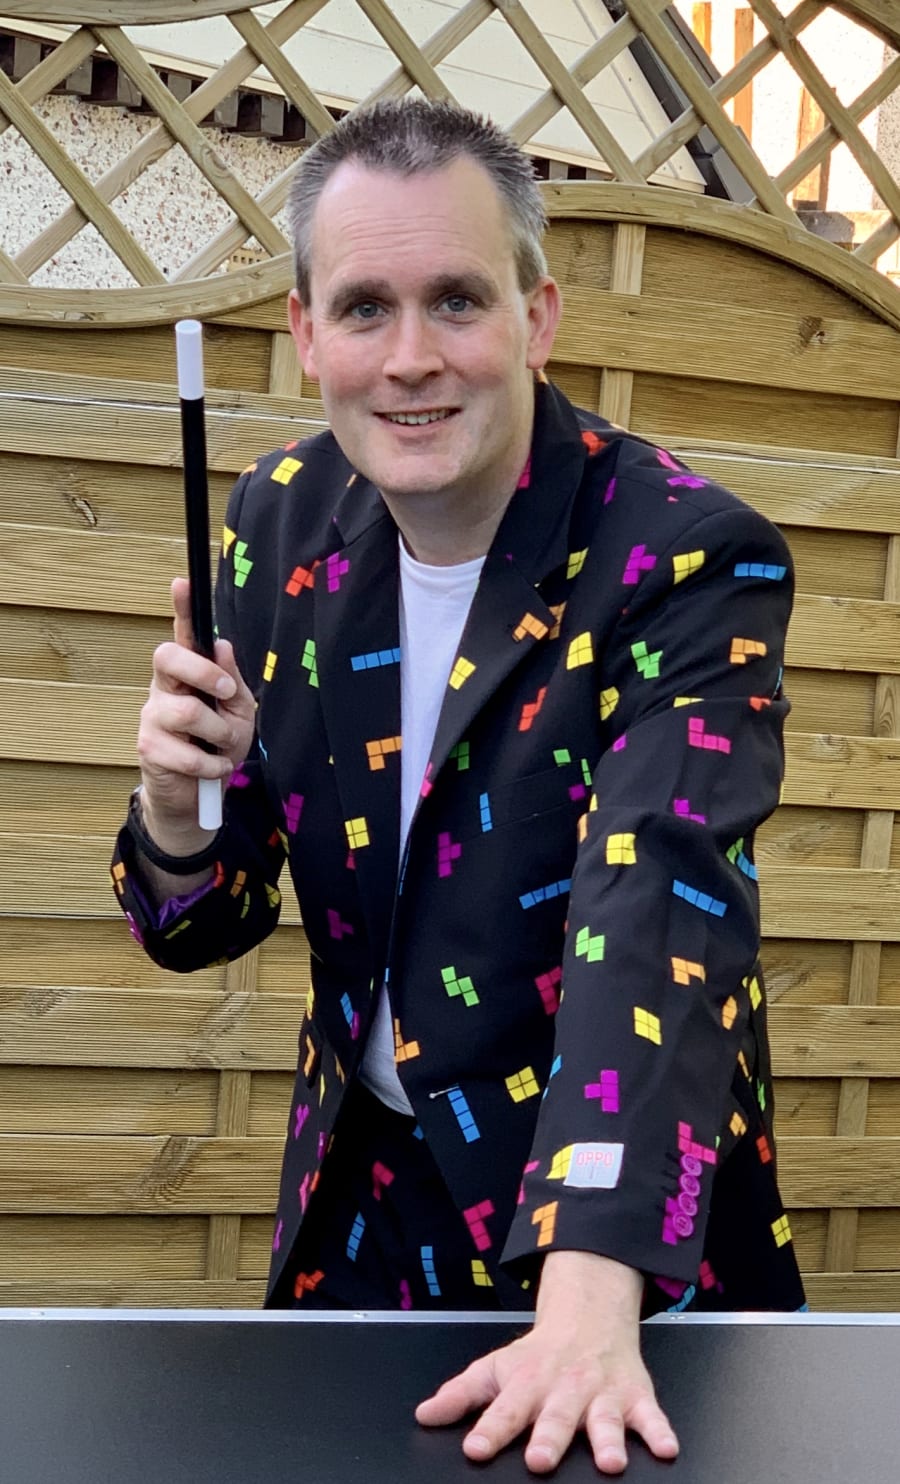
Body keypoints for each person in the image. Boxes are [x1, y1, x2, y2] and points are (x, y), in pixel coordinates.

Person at [111, 98, 806, 1475]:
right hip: (361, 1202)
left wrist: (592, 1296)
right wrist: (178, 812)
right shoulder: (273, 524)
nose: (411, 358)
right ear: (307, 332)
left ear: (538, 319)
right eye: (365, 308)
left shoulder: (686, 556)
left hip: (611, 1210)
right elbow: (206, 922)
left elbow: (659, 898)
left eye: (458, 301)